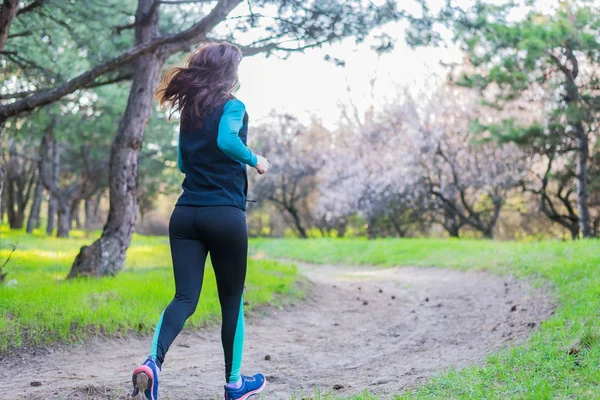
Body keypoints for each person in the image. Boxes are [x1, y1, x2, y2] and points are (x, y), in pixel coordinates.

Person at [131, 42, 269, 400]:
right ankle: (234, 384)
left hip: (186, 214)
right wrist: (255, 159)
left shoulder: (189, 113)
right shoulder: (233, 106)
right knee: (232, 301)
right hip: (224, 215)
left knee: (184, 298)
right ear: (228, 73)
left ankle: (152, 364)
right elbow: (226, 139)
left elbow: (181, 163)